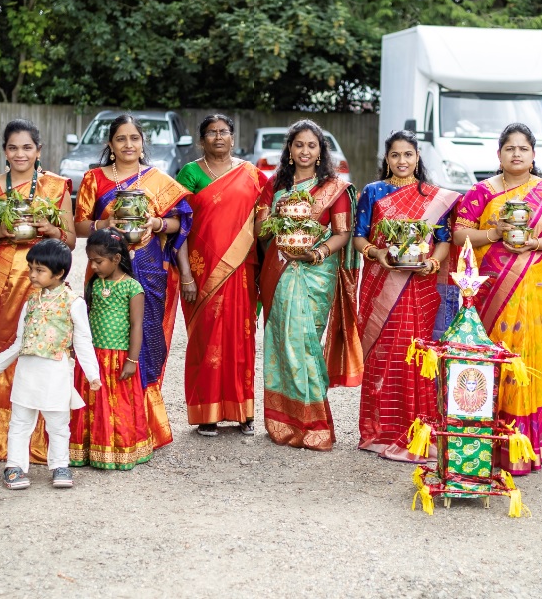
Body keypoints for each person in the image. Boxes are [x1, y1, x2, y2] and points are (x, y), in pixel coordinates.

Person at [451, 123, 542, 475]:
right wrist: (493, 233)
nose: (516, 154)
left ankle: (524, 446)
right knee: (489, 358)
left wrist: (534, 243)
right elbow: (460, 233)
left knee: (528, 358)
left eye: (523, 148)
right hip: (491, 293)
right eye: (510, 148)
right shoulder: (480, 192)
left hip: (533, 292)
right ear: (499, 155)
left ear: (534, 155)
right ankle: (481, 442)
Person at [74, 114, 191, 449]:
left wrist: (156, 223)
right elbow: (81, 227)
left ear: (143, 144)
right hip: (105, 269)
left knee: (146, 339)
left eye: (134, 139)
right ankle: (105, 429)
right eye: (121, 139)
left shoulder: (158, 179)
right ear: (110, 146)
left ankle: (144, 427)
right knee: (104, 340)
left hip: (149, 269)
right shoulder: (94, 179)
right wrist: (105, 221)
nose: (128, 145)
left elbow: (180, 223)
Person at [0, 120, 74, 462]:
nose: (20, 154)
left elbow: (71, 240)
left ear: (39, 151)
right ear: (4, 151)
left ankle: (42, 445)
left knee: (44, 356)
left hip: (45, 282)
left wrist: (50, 229)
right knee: (3, 355)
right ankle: (3, 442)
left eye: (27, 147)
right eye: (13, 147)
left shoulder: (56, 187)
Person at [352, 130, 457, 462]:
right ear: (386, 159)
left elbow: (444, 238)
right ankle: (377, 432)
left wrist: (433, 261)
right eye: (395, 155)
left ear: (417, 158)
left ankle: (415, 432)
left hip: (419, 286)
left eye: (408, 155)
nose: (402, 161)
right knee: (382, 353)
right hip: (381, 281)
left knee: (413, 352)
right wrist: (376, 253)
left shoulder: (433, 196)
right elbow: (358, 236)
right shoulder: (373, 192)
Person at [256, 119, 361, 451]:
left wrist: (316, 253)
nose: (304, 151)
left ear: (320, 152)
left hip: (316, 274)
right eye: (298, 144)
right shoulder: (274, 188)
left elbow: (343, 234)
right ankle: (284, 422)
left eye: (311, 145)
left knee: (305, 343)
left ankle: (315, 425)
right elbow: (260, 229)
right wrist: (277, 229)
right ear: (289, 150)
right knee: (279, 343)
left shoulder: (335, 189)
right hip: (279, 270)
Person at [175, 114, 267, 436]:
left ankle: (243, 411)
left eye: (223, 132)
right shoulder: (190, 173)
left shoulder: (251, 174)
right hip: (202, 272)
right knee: (206, 339)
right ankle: (207, 413)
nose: (217, 137)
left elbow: (263, 221)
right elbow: (180, 227)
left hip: (242, 270)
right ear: (202, 141)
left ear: (232, 137)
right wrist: (185, 273)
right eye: (211, 133)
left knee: (241, 339)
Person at [0, 239, 101, 490]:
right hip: (27, 372)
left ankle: (60, 465)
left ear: (59, 273)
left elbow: (83, 341)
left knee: (58, 423)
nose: (32, 275)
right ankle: (14, 466)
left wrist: (92, 374)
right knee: (20, 421)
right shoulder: (30, 302)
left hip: (56, 371)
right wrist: (0, 362)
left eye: (39, 270)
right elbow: (20, 340)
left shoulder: (75, 303)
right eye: (31, 268)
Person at [70, 229, 155, 470]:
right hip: (93, 356)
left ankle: (120, 450)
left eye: (98, 261)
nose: (93, 266)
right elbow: (85, 318)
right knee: (92, 403)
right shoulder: (94, 285)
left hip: (118, 356)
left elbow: (137, 326)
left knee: (118, 405)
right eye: (90, 261)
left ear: (116, 259)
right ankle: (89, 449)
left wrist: (133, 360)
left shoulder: (132, 287)